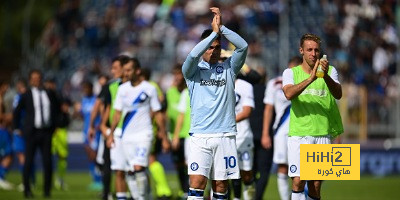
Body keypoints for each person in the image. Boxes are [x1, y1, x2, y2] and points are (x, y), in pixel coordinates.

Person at [182, 7, 248, 200]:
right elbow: (193, 56)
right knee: (197, 183)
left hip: (225, 135)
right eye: (209, 47)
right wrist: (212, 34)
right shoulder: (192, 71)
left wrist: (222, 29)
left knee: (220, 184)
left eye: (217, 46)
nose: (213, 50)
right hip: (200, 136)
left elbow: (243, 46)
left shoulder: (229, 68)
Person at [281, 33, 343, 200]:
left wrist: (325, 75)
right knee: (298, 181)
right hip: (299, 134)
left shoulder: (331, 71)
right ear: (301, 50)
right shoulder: (290, 72)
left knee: (315, 185)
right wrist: (311, 78)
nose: (313, 54)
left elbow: (338, 94)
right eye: (309, 50)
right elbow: (288, 93)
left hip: (322, 134)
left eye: (316, 50)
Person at [106, 57, 169, 200]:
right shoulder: (122, 89)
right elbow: (117, 114)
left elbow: (158, 113)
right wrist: (110, 135)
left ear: (138, 71)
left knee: (138, 168)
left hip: (144, 134)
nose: (126, 73)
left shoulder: (149, 88)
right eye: (125, 70)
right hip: (127, 136)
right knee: (130, 172)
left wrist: (164, 137)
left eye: (129, 70)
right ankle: (144, 196)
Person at [13, 70, 60, 198]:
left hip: (46, 132)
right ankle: (27, 190)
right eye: (34, 78)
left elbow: (57, 109)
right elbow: (16, 112)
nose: (37, 80)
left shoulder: (49, 93)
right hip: (31, 132)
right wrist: (18, 128)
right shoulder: (26, 95)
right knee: (28, 161)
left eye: (39, 78)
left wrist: (55, 125)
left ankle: (47, 191)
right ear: (30, 80)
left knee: (48, 162)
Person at [262, 56, 302, 200]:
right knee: (283, 167)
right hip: (281, 131)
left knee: (304, 172)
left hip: (304, 131)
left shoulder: (308, 81)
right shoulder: (275, 83)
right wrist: (265, 133)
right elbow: (268, 109)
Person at [89, 55, 125, 200]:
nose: (112, 70)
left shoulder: (134, 87)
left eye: (116, 68)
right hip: (112, 130)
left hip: (129, 131)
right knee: (107, 163)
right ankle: (106, 194)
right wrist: (102, 126)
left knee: (127, 167)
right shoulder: (109, 86)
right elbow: (105, 108)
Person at [140, 67, 173, 200]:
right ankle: (147, 191)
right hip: (143, 129)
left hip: (149, 129)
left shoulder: (151, 86)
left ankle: (163, 190)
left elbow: (159, 107)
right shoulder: (149, 86)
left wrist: (161, 130)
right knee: (144, 162)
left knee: (151, 159)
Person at [166, 64, 189, 199]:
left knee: (191, 164)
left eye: (179, 74)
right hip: (176, 134)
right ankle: (184, 190)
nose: (177, 77)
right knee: (179, 164)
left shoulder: (190, 90)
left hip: (190, 133)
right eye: (175, 75)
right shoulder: (170, 92)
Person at [231, 78, 256, 200]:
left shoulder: (245, 86)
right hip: (222, 136)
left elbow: (247, 112)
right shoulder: (212, 81)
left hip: (242, 136)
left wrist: (226, 121)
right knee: (221, 174)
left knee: (246, 173)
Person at [78, 81, 103, 191]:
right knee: (89, 155)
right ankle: (94, 179)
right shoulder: (83, 101)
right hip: (86, 131)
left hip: (95, 132)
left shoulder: (96, 100)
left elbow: (100, 115)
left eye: (87, 88)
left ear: (91, 89)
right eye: (84, 89)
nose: (85, 91)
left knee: (95, 155)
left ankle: (99, 180)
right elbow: (82, 115)